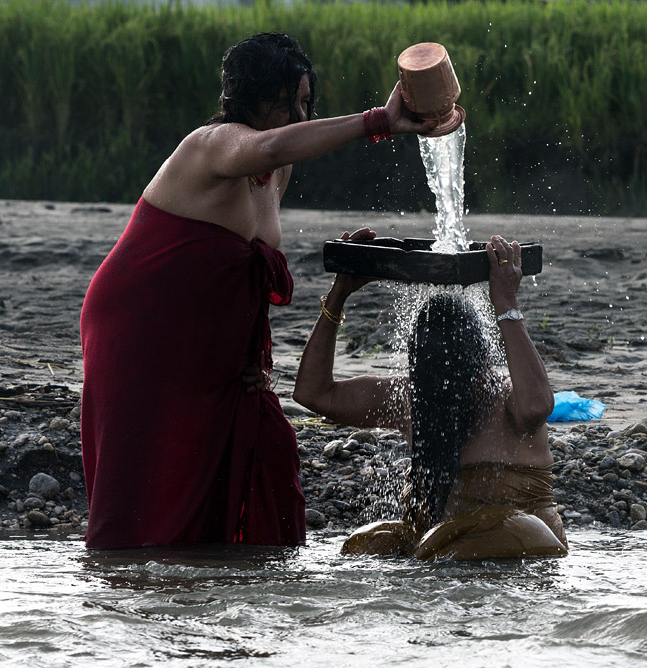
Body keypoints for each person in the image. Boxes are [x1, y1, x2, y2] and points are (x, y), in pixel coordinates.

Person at [79, 32, 434, 550]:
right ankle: (129, 577)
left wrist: (252, 358)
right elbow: (268, 145)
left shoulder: (277, 170)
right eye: (288, 102)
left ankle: (227, 582)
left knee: (267, 454)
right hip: (139, 332)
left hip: (209, 346)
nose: (300, 115)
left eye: (306, 103)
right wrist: (378, 121)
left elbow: (240, 274)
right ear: (252, 98)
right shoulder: (212, 143)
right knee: (148, 481)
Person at [292, 235, 568, 560]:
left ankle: (430, 560)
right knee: (366, 542)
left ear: (483, 363)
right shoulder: (411, 396)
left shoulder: (507, 395)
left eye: (459, 377)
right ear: (416, 370)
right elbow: (313, 393)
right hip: (436, 547)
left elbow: (538, 406)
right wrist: (339, 293)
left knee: (483, 534)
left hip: (520, 540)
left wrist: (506, 303)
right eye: (434, 379)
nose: (446, 388)